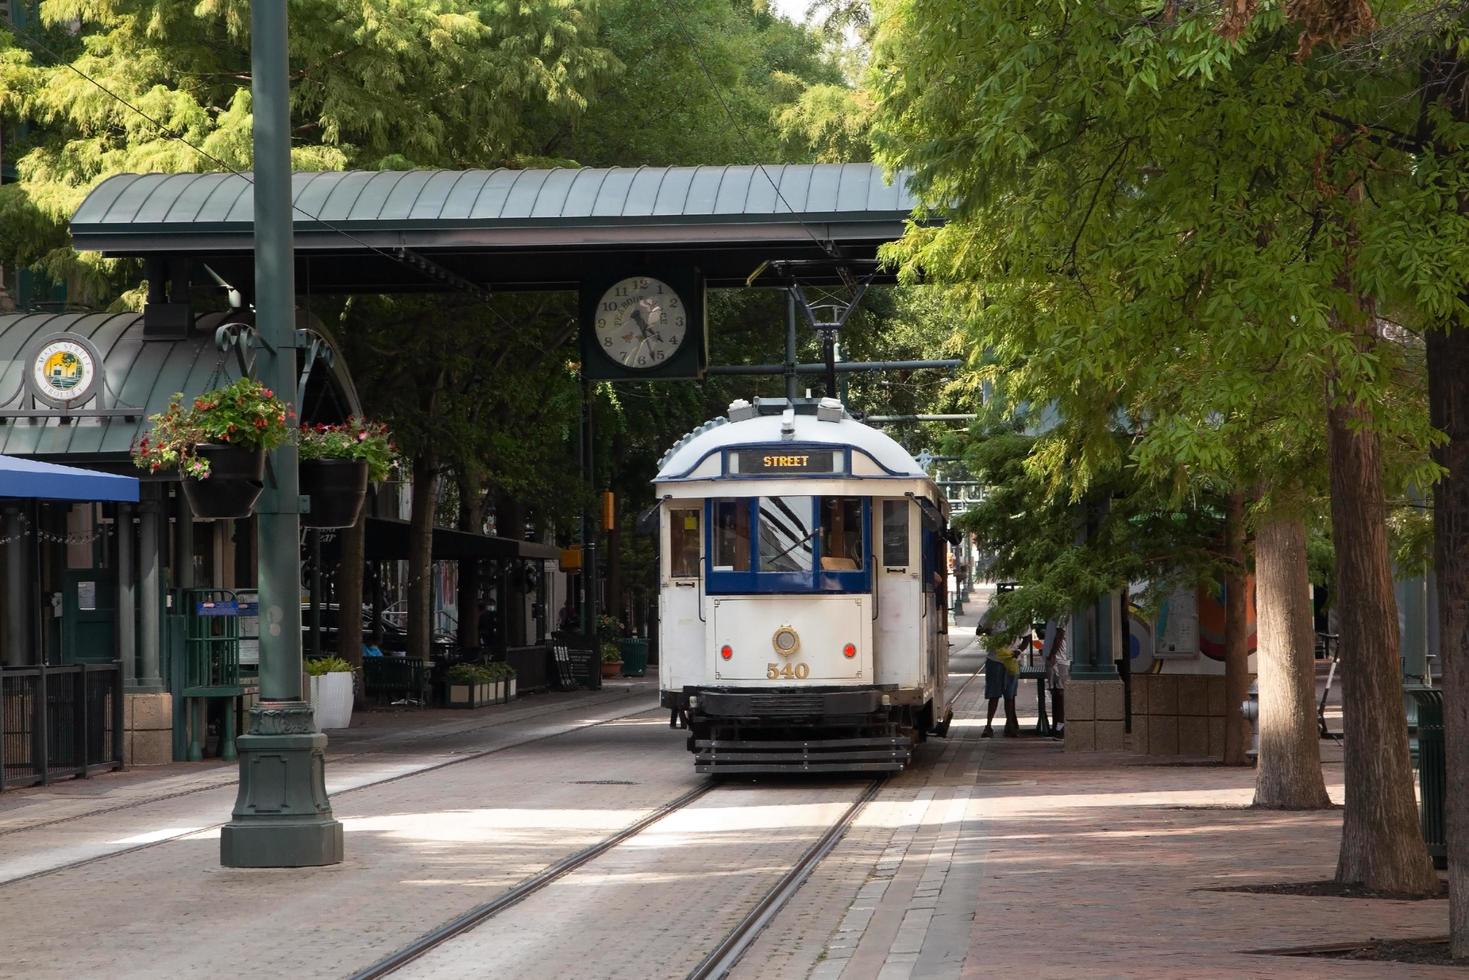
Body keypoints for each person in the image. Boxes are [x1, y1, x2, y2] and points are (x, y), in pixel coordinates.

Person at [982, 629, 1023, 738]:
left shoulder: (1019, 616)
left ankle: (1009, 725)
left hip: (1012, 660)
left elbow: (1027, 636)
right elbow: (980, 629)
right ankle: (988, 726)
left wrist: (1019, 651)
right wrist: (989, 632)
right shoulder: (992, 613)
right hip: (994, 660)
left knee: (1010, 695)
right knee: (994, 695)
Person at [1045, 624, 1070, 739]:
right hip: (1055, 660)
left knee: (1060, 693)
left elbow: (1059, 635)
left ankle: (1061, 726)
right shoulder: (1053, 615)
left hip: (1059, 661)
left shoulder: (1061, 613)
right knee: (1055, 692)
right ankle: (1056, 725)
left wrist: (1052, 654)